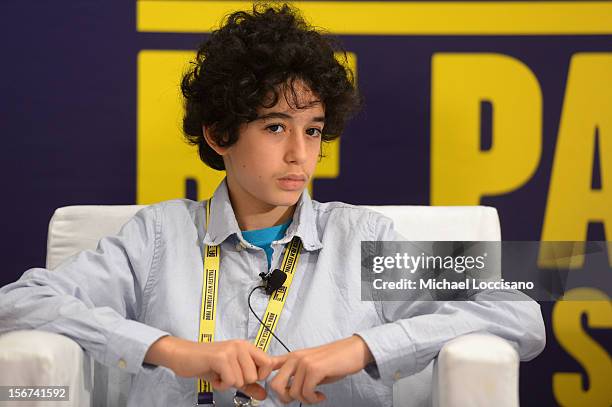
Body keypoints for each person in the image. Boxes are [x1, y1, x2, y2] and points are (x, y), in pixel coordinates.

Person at [0, 3, 545, 406]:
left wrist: (361, 348)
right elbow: (20, 302)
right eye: (275, 126)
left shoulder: (362, 240)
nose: (299, 154)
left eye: (313, 130)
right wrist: (169, 350)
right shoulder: (158, 237)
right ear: (218, 134)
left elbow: (515, 309)